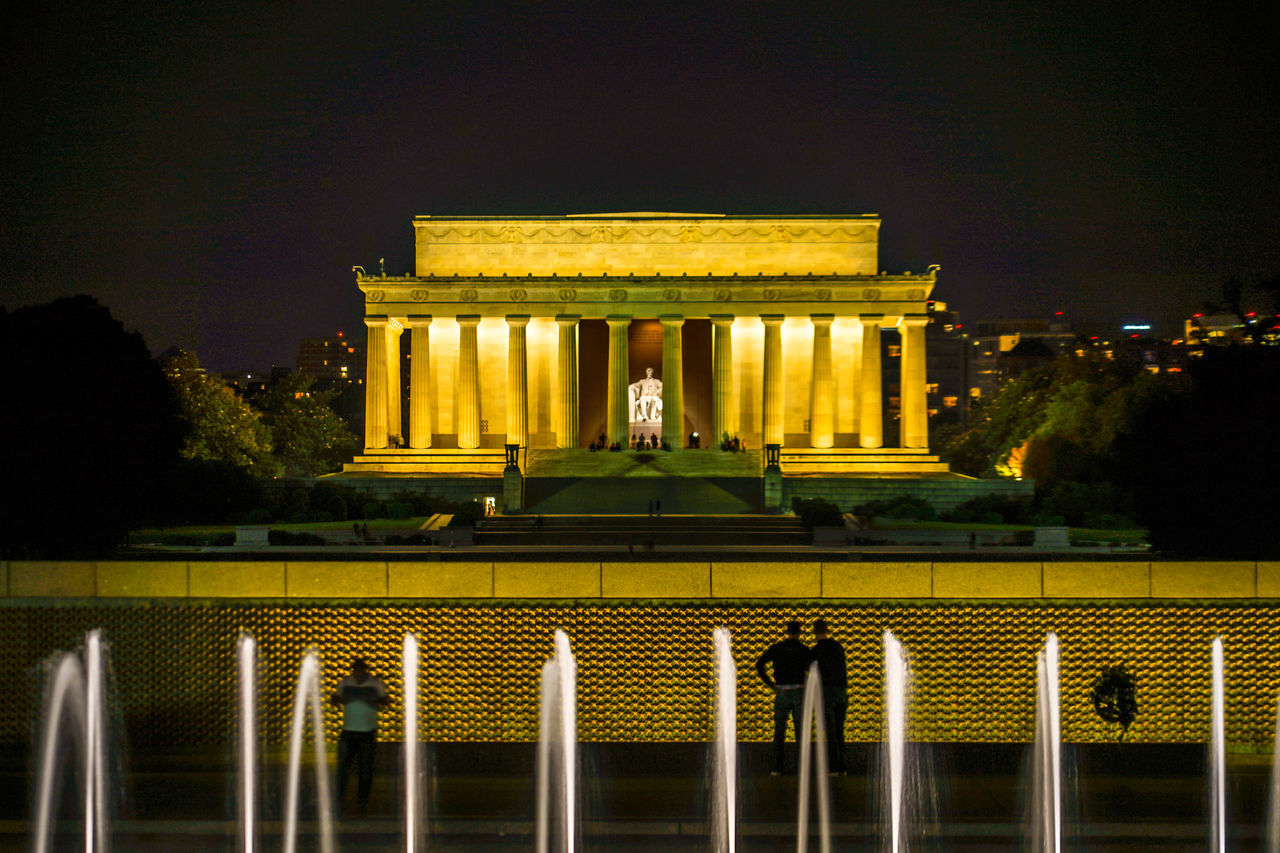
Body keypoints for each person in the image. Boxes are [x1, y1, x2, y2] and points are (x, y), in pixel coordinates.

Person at [331, 657, 389, 815]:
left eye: (361, 671)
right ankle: (339, 800)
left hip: (367, 733)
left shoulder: (375, 683)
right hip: (348, 732)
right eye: (356, 671)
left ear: (365, 671)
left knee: (365, 769)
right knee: (343, 768)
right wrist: (340, 699)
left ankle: (362, 802)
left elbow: (385, 701)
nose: (358, 674)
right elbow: (334, 699)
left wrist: (372, 698)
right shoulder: (345, 683)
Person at [755, 619, 811, 775]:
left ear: (787, 632)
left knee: (779, 731)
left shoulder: (777, 648)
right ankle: (801, 768)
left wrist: (770, 684)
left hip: (781, 692)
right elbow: (812, 668)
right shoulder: (804, 650)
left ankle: (778, 767)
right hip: (799, 692)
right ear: (799, 633)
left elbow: (759, 664)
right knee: (800, 731)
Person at [811, 619, 848, 774]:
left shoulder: (815, 651)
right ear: (827, 630)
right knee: (840, 731)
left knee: (831, 732)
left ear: (814, 632)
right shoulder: (838, 647)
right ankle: (843, 767)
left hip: (827, 694)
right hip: (841, 693)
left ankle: (833, 768)